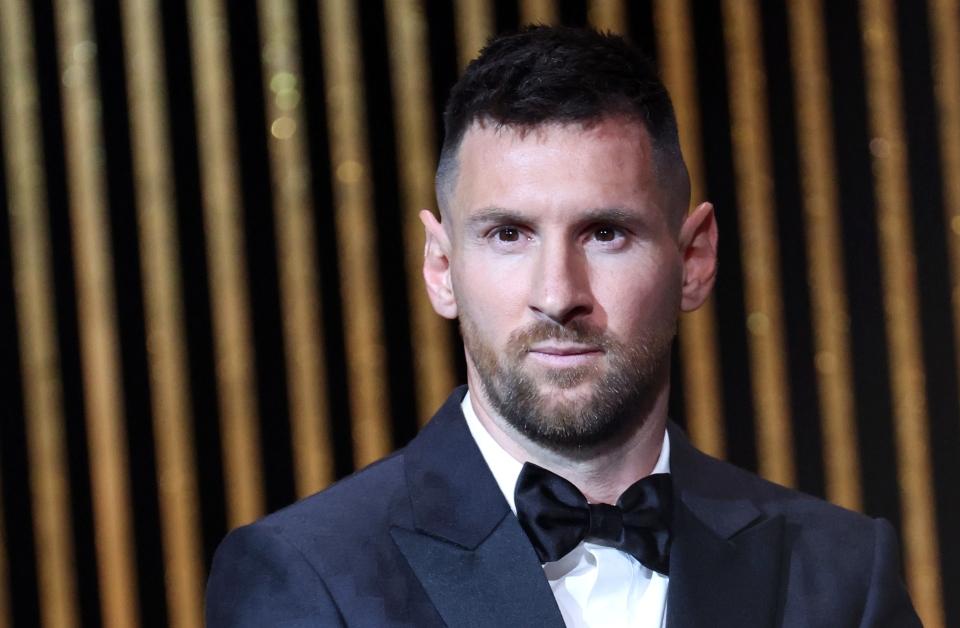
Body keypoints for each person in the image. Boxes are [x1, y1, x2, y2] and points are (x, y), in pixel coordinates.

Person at [205, 25, 922, 627]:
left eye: (606, 233)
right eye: (509, 235)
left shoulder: (843, 577)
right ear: (441, 267)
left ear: (694, 259)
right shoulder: (307, 575)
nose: (558, 293)